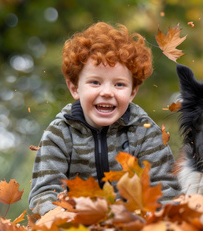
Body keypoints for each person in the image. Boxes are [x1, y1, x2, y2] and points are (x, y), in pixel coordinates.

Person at [29, 22, 180, 216]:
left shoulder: (145, 131)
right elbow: (44, 193)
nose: (107, 92)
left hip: (133, 229)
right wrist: (67, 220)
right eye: (95, 82)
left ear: (133, 91)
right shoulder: (59, 134)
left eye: (119, 84)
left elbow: (166, 188)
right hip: (74, 230)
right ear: (74, 88)